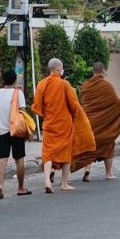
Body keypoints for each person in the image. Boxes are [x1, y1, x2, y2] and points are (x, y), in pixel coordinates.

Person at [75, 62, 120, 181]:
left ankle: (87, 170)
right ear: (103, 71)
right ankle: (108, 174)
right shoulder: (107, 86)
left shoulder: (85, 85)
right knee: (109, 145)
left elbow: (84, 103)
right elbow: (117, 103)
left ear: (92, 71)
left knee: (90, 147)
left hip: (89, 122)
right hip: (103, 124)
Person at [32, 58, 79, 193]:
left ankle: (47, 179)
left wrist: (46, 114)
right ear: (58, 69)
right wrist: (74, 114)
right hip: (64, 124)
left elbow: (37, 106)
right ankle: (64, 183)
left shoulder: (42, 84)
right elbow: (73, 105)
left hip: (49, 123)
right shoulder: (64, 84)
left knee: (48, 153)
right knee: (66, 153)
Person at [0, 69, 31, 199]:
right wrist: (28, 131)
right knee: (19, 159)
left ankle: (0, 186)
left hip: (1, 131)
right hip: (16, 131)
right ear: (14, 80)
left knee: (2, 158)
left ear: (3, 79)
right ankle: (21, 187)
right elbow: (22, 113)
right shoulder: (18, 93)